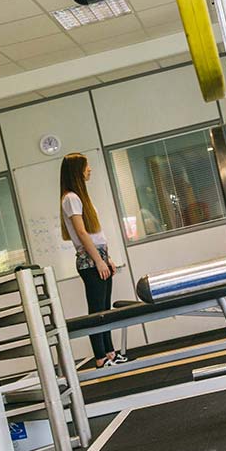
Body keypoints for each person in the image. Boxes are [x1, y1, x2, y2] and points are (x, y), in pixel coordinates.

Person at [60, 153, 127, 368]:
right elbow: (81, 233)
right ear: (77, 171)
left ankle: (110, 353)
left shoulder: (78, 197)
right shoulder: (71, 198)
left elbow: (93, 234)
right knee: (97, 311)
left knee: (104, 310)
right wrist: (99, 261)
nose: (90, 169)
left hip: (98, 257)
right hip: (90, 261)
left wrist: (107, 259)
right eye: (87, 166)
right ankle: (100, 357)